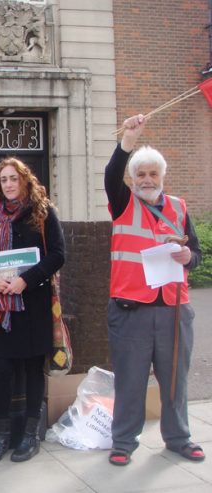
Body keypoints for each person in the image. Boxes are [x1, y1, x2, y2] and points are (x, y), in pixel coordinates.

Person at [105, 115, 204, 466]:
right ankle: (123, 442)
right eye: (140, 174)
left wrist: (189, 255)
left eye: (153, 174)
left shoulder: (178, 207)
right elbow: (111, 172)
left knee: (175, 380)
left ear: (163, 177)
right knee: (130, 380)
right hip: (132, 308)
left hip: (174, 308)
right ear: (132, 179)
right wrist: (128, 140)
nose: (147, 180)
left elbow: (197, 254)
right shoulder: (122, 202)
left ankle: (178, 437)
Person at [0, 157, 64, 463]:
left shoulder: (43, 212)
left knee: (31, 371)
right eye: (4, 180)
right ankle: (0, 435)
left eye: (14, 178)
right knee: (1, 371)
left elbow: (58, 255)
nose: (9, 184)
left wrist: (26, 280)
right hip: (1, 308)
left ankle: (29, 436)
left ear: (25, 180)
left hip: (32, 304)